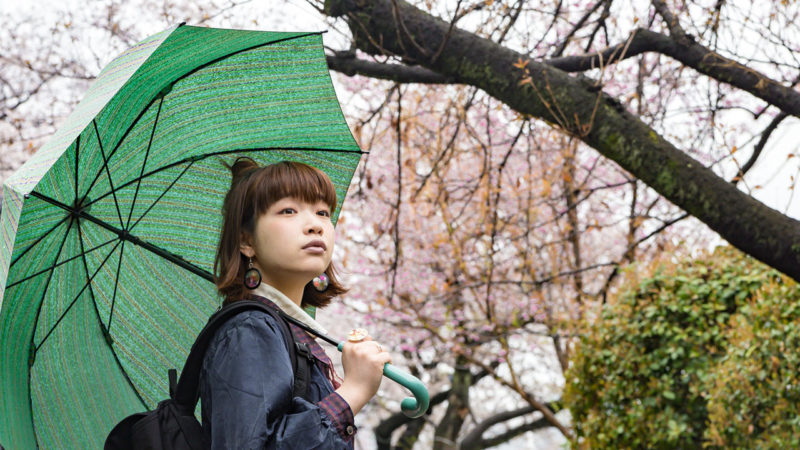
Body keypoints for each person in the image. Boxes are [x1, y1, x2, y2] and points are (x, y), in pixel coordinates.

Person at [201, 157, 391, 449]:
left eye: (323, 212)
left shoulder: (287, 333)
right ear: (246, 241)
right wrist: (352, 392)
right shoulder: (250, 330)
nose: (315, 225)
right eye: (288, 210)